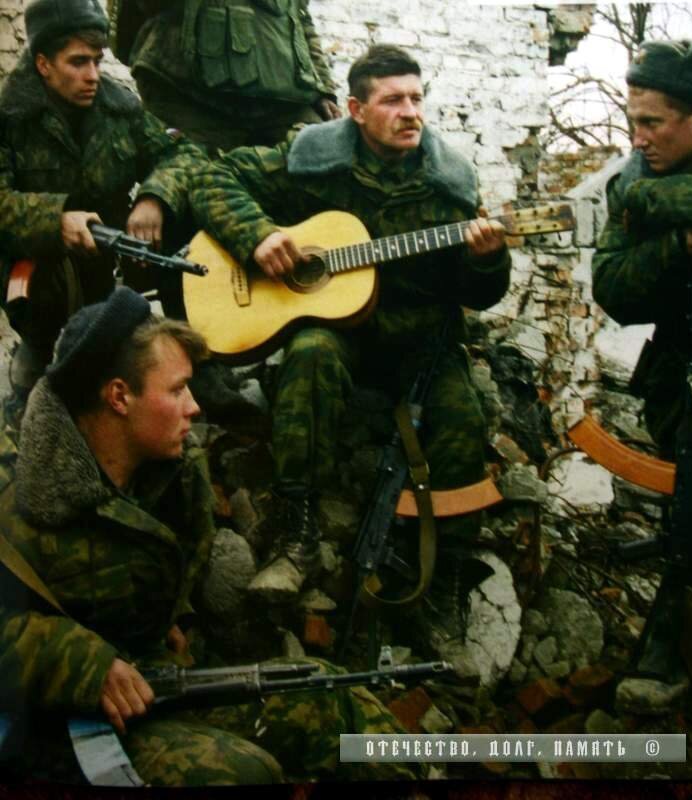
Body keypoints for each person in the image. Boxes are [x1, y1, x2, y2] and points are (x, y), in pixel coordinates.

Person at [0, 286, 418, 786]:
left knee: (328, 697)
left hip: (160, 686)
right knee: (245, 775)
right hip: (66, 728)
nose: (195, 407)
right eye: (177, 390)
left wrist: (178, 617)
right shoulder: (18, 494)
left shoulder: (175, 471)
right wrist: (83, 662)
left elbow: (182, 563)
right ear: (119, 396)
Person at [190, 44, 511, 647]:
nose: (411, 112)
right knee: (309, 353)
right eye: (394, 100)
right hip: (342, 332)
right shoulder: (313, 159)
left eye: (417, 98)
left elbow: (481, 296)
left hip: (421, 341)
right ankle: (298, 536)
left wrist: (487, 262)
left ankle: (436, 583)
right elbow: (214, 175)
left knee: (463, 420)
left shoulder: (451, 186)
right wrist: (259, 236)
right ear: (357, 110)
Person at [0, 0, 202, 421]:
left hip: (112, 259)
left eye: (97, 60)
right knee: (45, 384)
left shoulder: (119, 108)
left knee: (187, 214)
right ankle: (38, 356)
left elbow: (181, 154)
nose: (92, 75)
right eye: (77, 62)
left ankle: (196, 364)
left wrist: (153, 198)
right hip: (40, 273)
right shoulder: (10, 119)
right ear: (43, 64)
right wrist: (55, 222)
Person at [592, 39, 692, 458]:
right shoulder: (631, 184)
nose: (638, 140)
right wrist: (676, 244)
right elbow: (611, 289)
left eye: (652, 123)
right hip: (682, 389)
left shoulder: (641, 192)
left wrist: (671, 200)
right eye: (634, 123)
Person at [108, 0, 341, 154]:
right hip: (190, 96)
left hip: (282, 100)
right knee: (193, 191)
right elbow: (134, 18)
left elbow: (300, 19)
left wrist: (322, 88)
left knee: (321, 166)